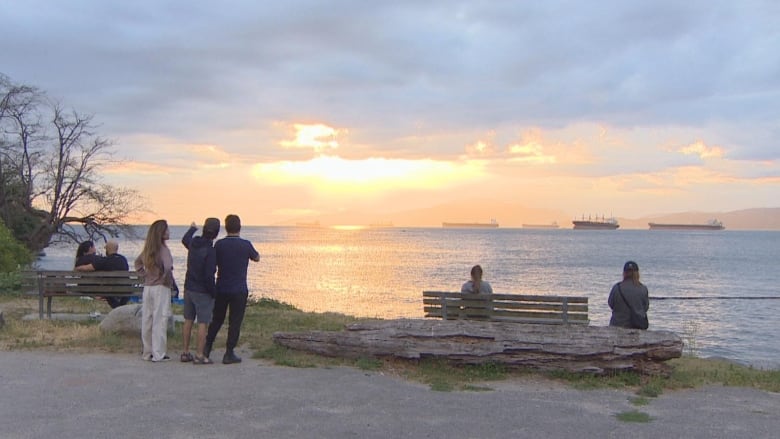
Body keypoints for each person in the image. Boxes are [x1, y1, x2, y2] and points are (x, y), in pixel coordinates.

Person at [204, 214, 259, 364]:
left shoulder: (219, 245)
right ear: (239, 227)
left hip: (221, 287)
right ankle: (229, 352)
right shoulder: (246, 245)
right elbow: (256, 257)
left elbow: (213, 263)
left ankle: (207, 348)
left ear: (226, 227)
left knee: (217, 319)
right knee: (235, 322)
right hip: (239, 289)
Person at [180, 218, 220, 365]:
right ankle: (199, 355)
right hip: (202, 290)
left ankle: (185, 352)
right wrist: (213, 292)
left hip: (189, 286)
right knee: (203, 322)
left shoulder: (194, 243)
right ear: (216, 234)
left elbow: (185, 239)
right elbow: (209, 275)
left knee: (188, 320)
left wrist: (192, 228)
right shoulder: (210, 251)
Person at [134, 219, 175, 362]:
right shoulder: (164, 250)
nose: (169, 232)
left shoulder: (148, 249)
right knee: (160, 319)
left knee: (147, 320)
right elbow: (168, 266)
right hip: (160, 287)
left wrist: (144, 275)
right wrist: (164, 277)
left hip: (148, 287)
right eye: (167, 230)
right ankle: (159, 353)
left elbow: (137, 263)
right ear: (161, 233)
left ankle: (147, 351)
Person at [75, 240, 131, 308]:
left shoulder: (104, 260)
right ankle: (119, 308)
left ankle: (117, 308)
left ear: (107, 249)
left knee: (107, 291)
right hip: (126, 289)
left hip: (110, 291)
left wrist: (78, 267)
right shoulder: (123, 259)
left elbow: (86, 268)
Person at [608, 260, 650, 329]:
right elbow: (645, 307)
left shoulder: (617, 287)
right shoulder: (643, 289)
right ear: (637, 273)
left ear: (624, 273)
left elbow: (611, 304)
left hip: (617, 325)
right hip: (637, 326)